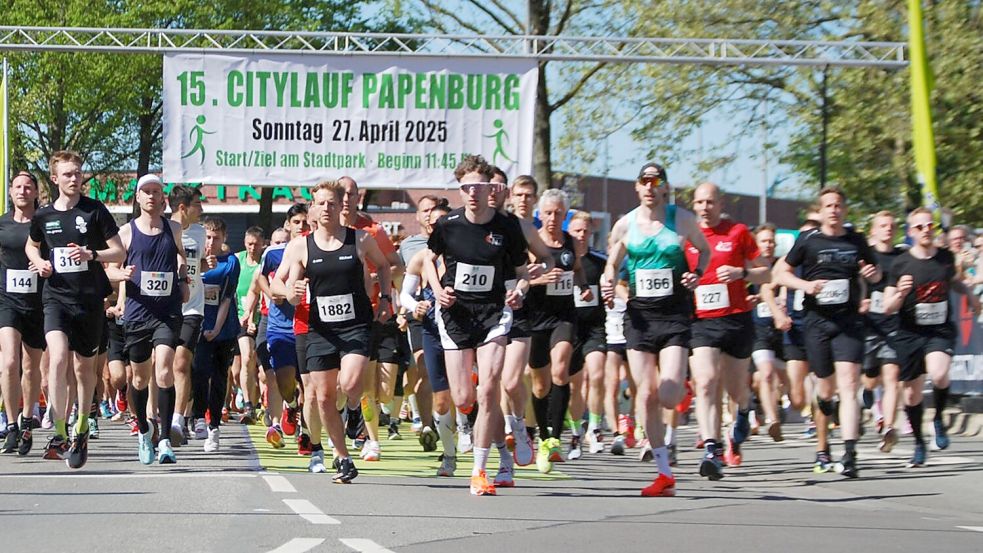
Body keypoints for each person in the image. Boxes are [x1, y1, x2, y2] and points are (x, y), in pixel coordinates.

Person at [602, 162, 710, 496]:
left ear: (664, 187)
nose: (649, 187)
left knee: (667, 395)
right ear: (637, 187)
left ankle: (681, 388)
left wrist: (698, 273)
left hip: (675, 314)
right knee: (646, 393)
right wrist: (607, 283)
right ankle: (664, 474)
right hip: (640, 318)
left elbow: (703, 250)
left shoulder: (683, 219)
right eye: (644, 181)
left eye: (656, 181)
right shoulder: (626, 224)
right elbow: (612, 263)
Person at [424, 155, 530, 496]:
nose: (472, 193)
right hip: (456, 316)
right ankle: (502, 452)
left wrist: (518, 293)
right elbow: (428, 260)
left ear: (490, 189)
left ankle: (480, 470)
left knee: (489, 390)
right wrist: (439, 289)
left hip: (493, 315)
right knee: (464, 398)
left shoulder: (507, 227)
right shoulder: (448, 225)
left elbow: (522, 274)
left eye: (478, 187)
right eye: (465, 187)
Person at [276, 179, 393, 481]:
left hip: (354, 325)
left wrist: (385, 299)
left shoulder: (360, 240)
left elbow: (384, 265)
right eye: (321, 203)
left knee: (351, 384)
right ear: (313, 206)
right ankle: (342, 458)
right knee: (324, 397)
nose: (327, 208)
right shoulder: (300, 245)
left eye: (332, 203)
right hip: (318, 330)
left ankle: (353, 410)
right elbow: (279, 282)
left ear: (342, 205)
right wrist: (291, 291)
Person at [26, 151, 126, 468]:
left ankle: (81, 423)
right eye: (68, 174)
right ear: (55, 178)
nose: (74, 178)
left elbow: (118, 250)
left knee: (84, 369)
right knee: (56, 357)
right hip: (55, 296)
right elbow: (32, 244)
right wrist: (40, 261)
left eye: (78, 173)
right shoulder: (43, 216)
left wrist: (90, 254)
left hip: (88, 299)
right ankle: (58, 430)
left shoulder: (94, 210)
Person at [773, 187, 881, 478]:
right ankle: (823, 446)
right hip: (817, 321)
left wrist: (874, 277)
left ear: (844, 210)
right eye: (828, 206)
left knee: (848, 384)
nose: (833, 210)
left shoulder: (856, 239)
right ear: (820, 212)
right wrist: (805, 286)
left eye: (838, 205)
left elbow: (876, 272)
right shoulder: (807, 240)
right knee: (825, 390)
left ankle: (849, 453)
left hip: (848, 322)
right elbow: (780, 273)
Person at [686, 183, 771, 477]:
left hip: (736, 319)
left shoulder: (738, 232)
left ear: (720, 204)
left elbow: (767, 271)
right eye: (699, 202)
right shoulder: (686, 236)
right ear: (694, 206)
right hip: (700, 321)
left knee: (736, 391)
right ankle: (713, 448)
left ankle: (746, 408)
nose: (705, 207)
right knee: (706, 382)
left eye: (710, 201)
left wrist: (742, 273)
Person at [884, 209, 980, 466]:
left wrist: (969, 295)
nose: (927, 230)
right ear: (911, 231)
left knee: (938, 374)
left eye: (930, 225)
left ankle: (937, 418)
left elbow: (955, 282)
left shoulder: (946, 258)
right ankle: (918, 442)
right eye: (920, 227)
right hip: (909, 333)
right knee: (912, 396)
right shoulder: (901, 263)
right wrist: (900, 295)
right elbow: (888, 306)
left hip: (939, 330)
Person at [109, 174, 188, 464]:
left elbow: (181, 258)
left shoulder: (174, 228)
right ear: (138, 198)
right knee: (139, 379)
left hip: (166, 312)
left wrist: (183, 278)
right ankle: (144, 430)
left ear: (163, 198)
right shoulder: (126, 233)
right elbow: (109, 270)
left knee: (164, 370)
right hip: (138, 312)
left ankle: (166, 439)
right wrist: (122, 275)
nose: (152, 196)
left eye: (157, 191)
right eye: (147, 192)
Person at [526, 189, 593, 473]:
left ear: (566, 216)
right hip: (535, 318)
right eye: (549, 213)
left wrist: (583, 286)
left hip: (563, 316)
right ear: (540, 215)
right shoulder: (532, 242)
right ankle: (543, 436)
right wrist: (540, 279)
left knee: (560, 371)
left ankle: (555, 437)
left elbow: (576, 268)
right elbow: (519, 278)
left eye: (559, 213)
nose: (553, 218)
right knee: (540, 385)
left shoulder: (569, 242)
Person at [339, 176, 404, 461]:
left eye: (350, 194)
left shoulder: (372, 231)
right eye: (340, 193)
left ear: (358, 197)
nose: (344, 199)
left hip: (375, 311)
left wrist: (378, 283)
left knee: (385, 391)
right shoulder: (325, 229)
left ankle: (358, 418)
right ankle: (370, 438)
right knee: (356, 384)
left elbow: (397, 266)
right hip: (342, 316)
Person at [400, 202, 456, 475]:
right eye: (435, 226)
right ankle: (449, 454)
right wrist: (415, 307)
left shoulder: (468, 254)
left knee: (468, 394)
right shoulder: (422, 257)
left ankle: (470, 432)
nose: (439, 230)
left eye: (445, 224)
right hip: (433, 332)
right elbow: (405, 296)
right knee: (442, 399)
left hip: (464, 333)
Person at [256, 204, 308, 449]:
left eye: (305, 222)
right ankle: (292, 405)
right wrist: (274, 294)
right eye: (296, 222)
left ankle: (307, 435)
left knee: (310, 384)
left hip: (310, 327)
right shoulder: (275, 253)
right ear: (288, 225)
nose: (301, 226)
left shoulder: (319, 251)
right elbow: (262, 277)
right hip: (280, 326)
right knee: (285, 383)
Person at [0, 172, 45, 455]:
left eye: (28, 187)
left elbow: (55, 256)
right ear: (11, 191)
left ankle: (28, 419)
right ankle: (12, 425)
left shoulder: (44, 223)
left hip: (38, 301)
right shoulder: (2, 224)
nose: (23, 191)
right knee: (8, 362)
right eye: (18, 186)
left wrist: (41, 263)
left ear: (36, 193)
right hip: (7, 300)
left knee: (30, 366)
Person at [396, 195, 443, 452]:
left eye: (434, 213)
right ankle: (427, 424)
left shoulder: (458, 242)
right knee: (424, 368)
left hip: (453, 315)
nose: (429, 217)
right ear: (418, 215)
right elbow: (403, 281)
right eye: (424, 211)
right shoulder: (410, 246)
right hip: (421, 314)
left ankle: (450, 421)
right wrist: (406, 309)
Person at [192, 216, 241, 452]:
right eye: (208, 237)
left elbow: (227, 298)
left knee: (220, 376)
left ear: (224, 239)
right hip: (198, 323)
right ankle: (198, 416)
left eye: (216, 238)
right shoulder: (195, 259)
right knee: (199, 370)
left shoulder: (230, 262)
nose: (211, 242)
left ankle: (214, 426)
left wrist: (217, 328)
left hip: (223, 327)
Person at [167, 185, 209, 444]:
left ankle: (177, 422)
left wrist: (206, 265)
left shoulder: (200, 233)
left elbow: (198, 263)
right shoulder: (163, 229)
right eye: (197, 204)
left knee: (182, 363)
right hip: (166, 307)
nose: (202, 209)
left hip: (193, 306)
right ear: (182, 207)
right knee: (161, 366)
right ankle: (155, 417)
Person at [566, 211, 608, 455]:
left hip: (594, 327)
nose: (581, 235)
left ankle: (594, 427)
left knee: (597, 374)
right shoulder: (562, 260)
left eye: (585, 231)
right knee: (575, 386)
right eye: (576, 231)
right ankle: (575, 432)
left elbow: (611, 287)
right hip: (570, 329)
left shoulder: (600, 262)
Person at [861, 211, 903, 452]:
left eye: (891, 225)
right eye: (883, 226)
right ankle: (866, 392)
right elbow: (853, 284)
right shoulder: (865, 256)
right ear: (873, 231)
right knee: (870, 378)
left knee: (892, 378)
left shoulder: (901, 257)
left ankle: (888, 427)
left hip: (893, 325)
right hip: (868, 327)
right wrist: (862, 298)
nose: (888, 229)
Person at [233, 226, 265, 424]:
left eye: (256, 244)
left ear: (263, 244)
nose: (252, 248)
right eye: (249, 244)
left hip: (263, 318)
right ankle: (248, 404)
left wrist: (254, 317)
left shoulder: (265, 263)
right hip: (241, 318)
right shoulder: (237, 260)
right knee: (247, 358)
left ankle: (265, 404)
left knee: (263, 370)